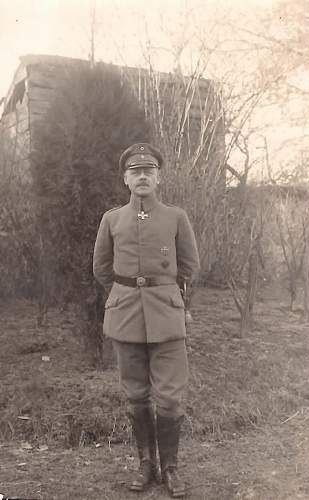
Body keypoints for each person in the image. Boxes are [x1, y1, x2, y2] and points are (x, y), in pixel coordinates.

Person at [93, 142, 200, 498]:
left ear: (158, 178)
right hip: (125, 316)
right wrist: (125, 294)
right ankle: (145, 465)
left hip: (167, 317)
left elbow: (189, 266)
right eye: (135, 172)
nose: (142, 176)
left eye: (148, 171)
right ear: (125, 179)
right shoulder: (112, 219)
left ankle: (170, 468)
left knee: (169, 398)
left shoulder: (176, 217)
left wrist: (173, 299)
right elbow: (101, 268)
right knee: (136, 394)